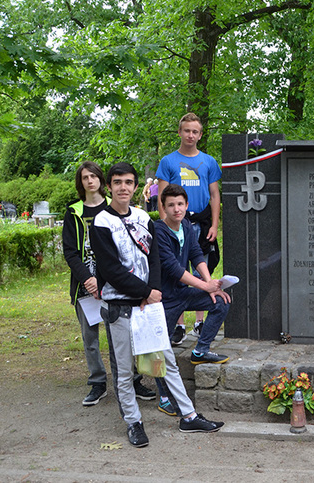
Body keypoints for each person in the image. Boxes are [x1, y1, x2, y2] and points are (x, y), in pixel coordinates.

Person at [90, 162, 224, 447]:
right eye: (117, 182)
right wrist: (145, 292)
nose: (123, 187)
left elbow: (153, 259)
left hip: (148, 304)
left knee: (168, 363)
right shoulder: (102, 222)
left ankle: (188, 416)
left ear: (135, 186)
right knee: (126, 371)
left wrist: (151, 290)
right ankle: (133, 422)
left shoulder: (142, 217)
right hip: (121, 307)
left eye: (128, 182)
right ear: (109, 186)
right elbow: (110, 269)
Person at [62, 161, 155, 406]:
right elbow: (71, 252)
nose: (90, 181)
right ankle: (97, 383)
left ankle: (133, 380)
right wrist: (88, 279)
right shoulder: (74, 212)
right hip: (86, 285)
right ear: (80, 182)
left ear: (103, 182)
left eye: (94, 176)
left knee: (126, 335)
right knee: (90, 337)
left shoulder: (114, 208)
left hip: (117, 285)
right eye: (85, 177)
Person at [154, 183, 231, 416]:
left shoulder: (186, 226)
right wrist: (204, 285)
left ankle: (201, 350)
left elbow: (197, 254)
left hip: (184, 293)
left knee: (221, 302)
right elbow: (173, 269)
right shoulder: (158, 231)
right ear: (164, 208)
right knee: (160, 348)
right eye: (171, 205)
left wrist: (211, 286)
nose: (177, 209)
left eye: (180, 204)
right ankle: (164, 396)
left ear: (187, 206)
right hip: (163, 299)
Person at [157, 113, 222, 346]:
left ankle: (200, 320)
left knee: (200, 264)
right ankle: (179, 325)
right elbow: (162, 197)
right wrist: (167, 226)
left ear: (200, 134)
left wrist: (214, 224)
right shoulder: (168, 162)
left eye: (195, 131)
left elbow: (215, 195)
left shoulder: (209, 161)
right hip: (175, 223)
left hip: (200, 222)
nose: (191, 135)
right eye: (187, 131)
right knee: (177, 271)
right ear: (179, 132)